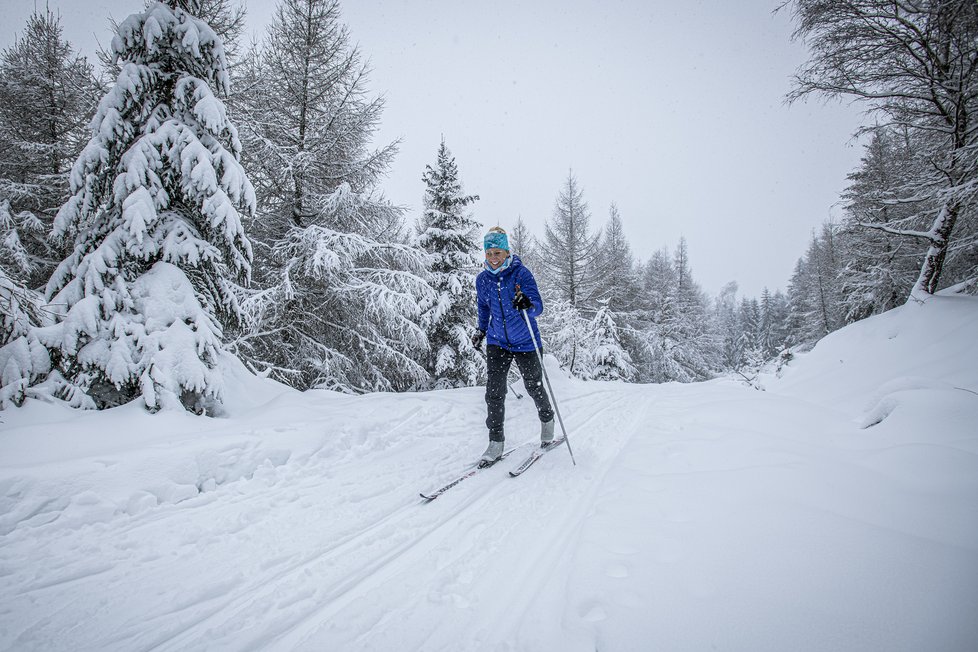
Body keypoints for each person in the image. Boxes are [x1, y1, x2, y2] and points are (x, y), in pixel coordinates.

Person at [471, 226, 555, 463]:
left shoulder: (521, 274)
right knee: (494, 393)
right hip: (498, 342)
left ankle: (547, 421)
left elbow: (538, 307)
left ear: (507, 252)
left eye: (497, 252)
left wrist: (527, 303)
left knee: (533, 386)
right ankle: (495, 443)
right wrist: (481, 330)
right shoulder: (483, 280)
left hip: (526, 341)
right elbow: (484, 308)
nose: (493, 258)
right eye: (489, 253)